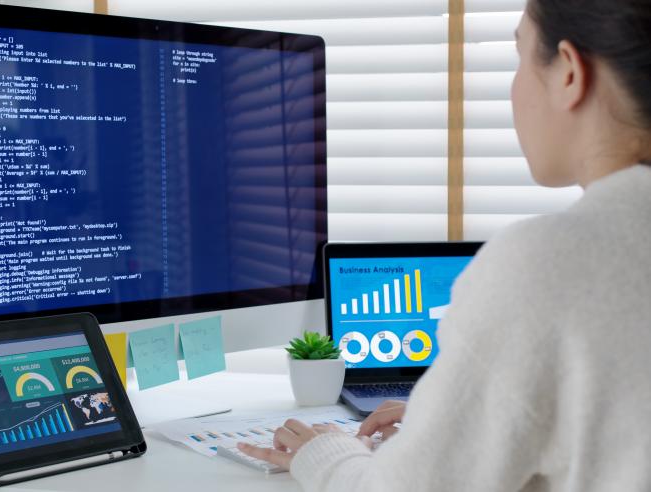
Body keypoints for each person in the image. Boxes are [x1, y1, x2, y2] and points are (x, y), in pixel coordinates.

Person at [238, 0, 651, 490]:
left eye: (519, 56)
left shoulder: (551, 261)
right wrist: (461, 419)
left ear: (568, 71)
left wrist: (324, 451)